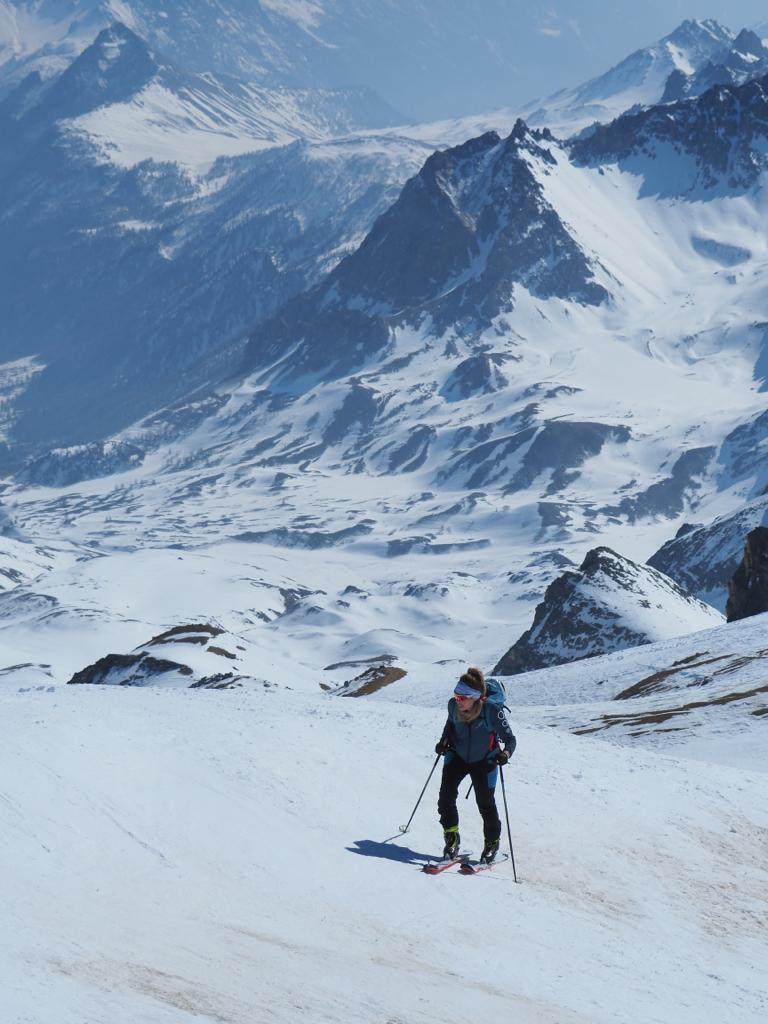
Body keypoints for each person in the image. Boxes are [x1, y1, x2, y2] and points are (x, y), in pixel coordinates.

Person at [434, 666, 516, 863]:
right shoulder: (453, 706)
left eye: (462, 697)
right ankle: (452, 837)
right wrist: (443, 740)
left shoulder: (491, 711)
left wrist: (505, 753)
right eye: (456, 695)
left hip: (485, 760)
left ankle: (492, 843)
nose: (458, 701)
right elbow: (450, 725)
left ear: (475, 697)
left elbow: (510, 739)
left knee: (485, 805)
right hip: (458, 756)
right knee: (445, 798)